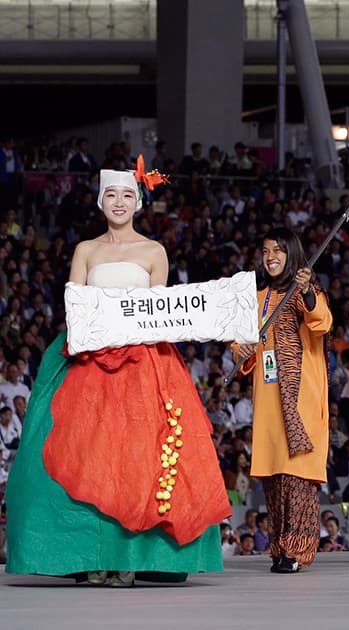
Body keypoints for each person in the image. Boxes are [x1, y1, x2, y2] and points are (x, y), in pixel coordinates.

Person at [5, 164, 230, 586]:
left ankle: (132, 558)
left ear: (138, 202)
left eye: (127, 196)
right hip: (90, 358)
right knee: (83, 452)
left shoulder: (154, 251)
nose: (120, 203)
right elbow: (75, 303)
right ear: (100, 201)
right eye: (112, 196)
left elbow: (161, 308)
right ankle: (90, 554)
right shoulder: (86, 250)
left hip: (143, 361)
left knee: (139, 455)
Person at [234, 227, 333, 573]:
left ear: (292, 255)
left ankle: (297, 549)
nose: (271, 256)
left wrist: (306, 291)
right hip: (268, 401)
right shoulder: (257, 297)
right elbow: (240, 346)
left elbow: (322, 322)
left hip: (300, 402)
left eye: (278, 250)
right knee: (276, 480)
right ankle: (279, 546)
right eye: (265, 251)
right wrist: (242, 350)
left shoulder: (307, 292)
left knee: (297, 479)